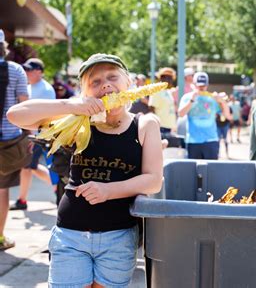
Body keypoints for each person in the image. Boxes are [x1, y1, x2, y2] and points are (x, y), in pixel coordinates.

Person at [7, 53, 163, 287]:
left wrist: (108, 190)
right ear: (85, 92)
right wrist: (70, 104)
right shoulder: (74, 120)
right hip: (70, 233)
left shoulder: (144, 124)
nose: (106, 84)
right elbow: (15, 115)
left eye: (112, 77)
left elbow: (153, 181)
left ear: (128, 82)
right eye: (95, 82)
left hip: (118, 236)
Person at [10, 58, 57, 211]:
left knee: (29, 167)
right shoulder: (29, 88)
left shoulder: (46, 89)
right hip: (30, 134)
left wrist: (35, 135)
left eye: (30, 69)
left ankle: (58, 187)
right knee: (30, 167)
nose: (27, 72)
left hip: (39, 134)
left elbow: (49, 115)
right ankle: (57, 187)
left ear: (39, 71)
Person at [0, 29, 29, 250]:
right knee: (2, 189)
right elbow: (24, 106)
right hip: (8, 140)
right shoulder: (16, 70)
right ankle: (0, 237)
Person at [178, 72, 230, 160]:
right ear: (194, 84)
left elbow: (227, 115)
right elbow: (180, 114)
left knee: (211, 171)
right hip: (193, 141)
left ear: (207, 85)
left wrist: (222, 101)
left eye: (204, 85)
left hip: (211, 140)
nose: (201, 88)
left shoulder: (213, 98)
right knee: (193, 171)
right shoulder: (187, 97)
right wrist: (191, 100)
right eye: (199, 85)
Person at [149, 68, 178, 134]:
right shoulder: (156, 91)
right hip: (161, 128)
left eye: (170, 77)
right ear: (161, 78)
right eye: (165, 77)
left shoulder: (168, 92)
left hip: (169, 128)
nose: (168, 79)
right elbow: (151, 109)